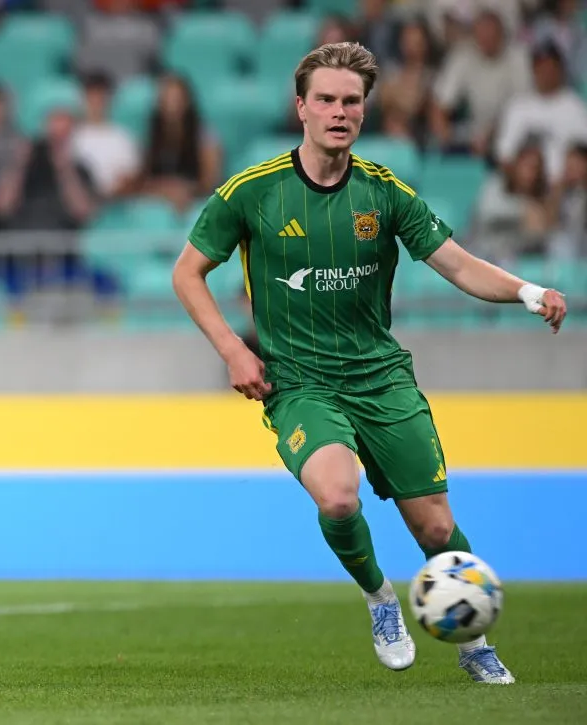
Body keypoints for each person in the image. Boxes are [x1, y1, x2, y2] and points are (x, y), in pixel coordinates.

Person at [172, 42, 567, 685]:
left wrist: (528, 291)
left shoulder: (384, 193)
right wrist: (233, 348)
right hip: (300, 382)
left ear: (364, 111)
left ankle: (474, 641)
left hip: (381, 379)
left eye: (351, 101)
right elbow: (187, 273)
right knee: (337, 497)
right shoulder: (252, 191)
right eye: (326, 99)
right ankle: (381, 598)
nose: (339, 111)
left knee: (436, 529)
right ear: (301, 108)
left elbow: (458, 265)